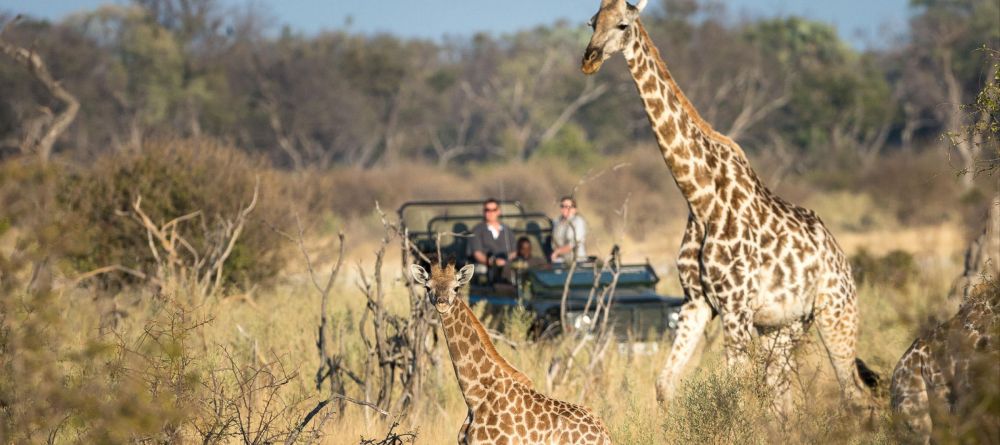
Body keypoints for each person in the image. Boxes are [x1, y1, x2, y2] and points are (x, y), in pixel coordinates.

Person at [468, 198, 517, 268]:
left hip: (507, 265)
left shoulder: (507, 230)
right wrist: (491, 262)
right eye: (487, 210)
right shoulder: (477, 230)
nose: (490, 213)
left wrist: (505, 261)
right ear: (484, 212)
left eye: (494, 210)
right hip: (486, 266)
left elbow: (514, 251)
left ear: (499, 211)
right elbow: (477, 253)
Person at [551, 196, 587, 263]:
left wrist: (558, 252)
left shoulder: (578, 221)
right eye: (562, 206)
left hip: (576, 261)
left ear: (574, 209)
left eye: (567, 207)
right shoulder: (556, 221)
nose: (564, 209)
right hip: (560, 260)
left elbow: (574, 243)